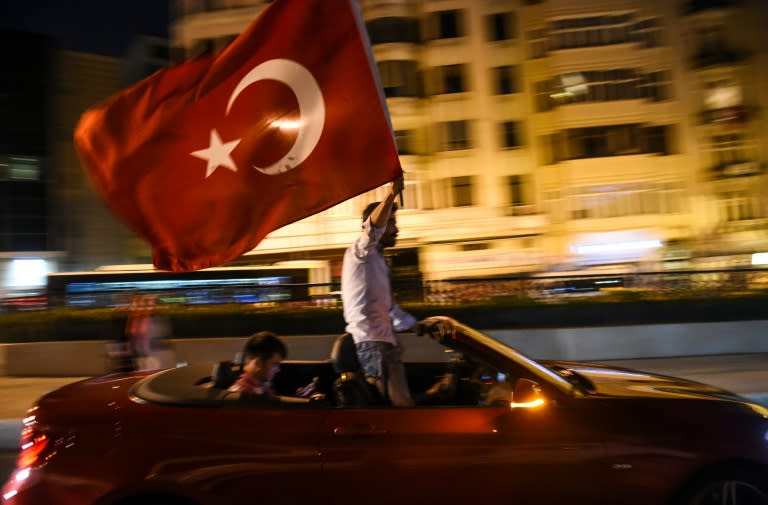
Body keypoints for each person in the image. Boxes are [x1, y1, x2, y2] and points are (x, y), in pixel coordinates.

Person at [341, 175, 418, 407]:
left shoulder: (377, 262)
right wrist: (391, 193)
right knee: (399, 410)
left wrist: (418, 326)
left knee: (398, 407)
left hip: (382, 343)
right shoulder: (361, 250)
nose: (397, 229)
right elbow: (373, 229)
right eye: (391, 223)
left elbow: (390, 309)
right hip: (373, 345)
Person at [228, 331, 287, 397]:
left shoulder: (262, 388)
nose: (277, 369)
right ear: (258, 363)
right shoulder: (242, 394)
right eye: (274, 364)